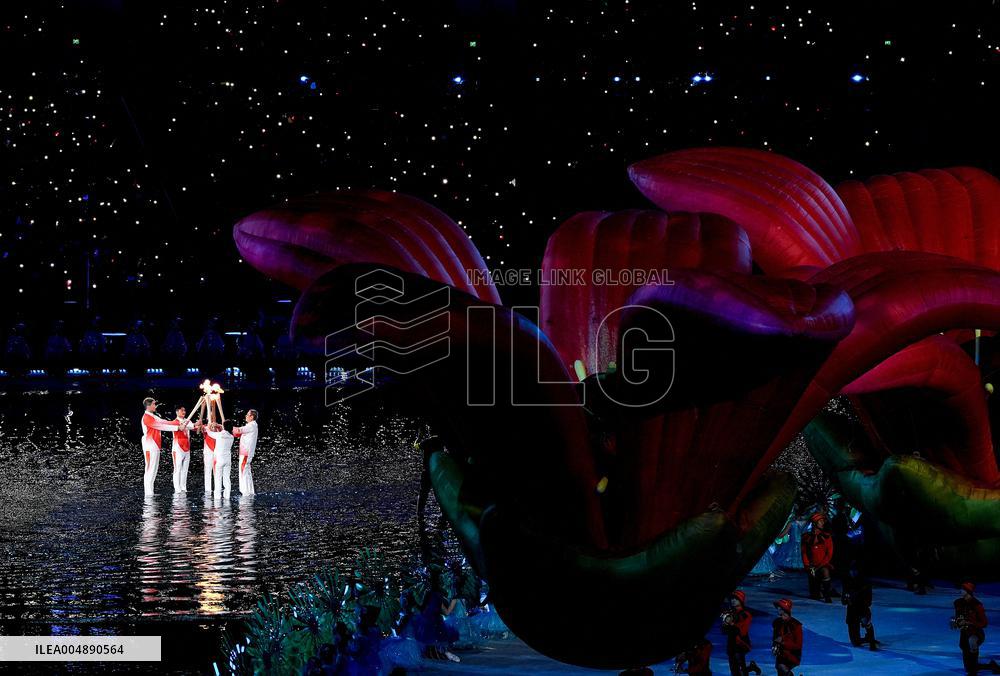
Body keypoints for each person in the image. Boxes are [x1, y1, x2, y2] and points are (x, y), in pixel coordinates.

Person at [952, 582, 1000, 674]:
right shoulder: (958, 603)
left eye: (962, 589)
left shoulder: (977, 605)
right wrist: (955, 621)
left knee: (972, 641)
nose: (960, 590)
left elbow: (984, 623)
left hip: (975, 632)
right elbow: (958, 617)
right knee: (969, 667)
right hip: (964, 632)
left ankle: (974, 671)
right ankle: (991, 666)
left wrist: (971, 622)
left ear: (967, 591)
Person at [140, 397, 183, 495]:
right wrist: (177, 428)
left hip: (154, 446)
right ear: (149, 405)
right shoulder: (146, 417)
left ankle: (150, 493)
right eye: (154, 404)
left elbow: (164, 421)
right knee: (150, 469)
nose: (155, 406)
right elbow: (161, 426)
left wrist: (179, 422)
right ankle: (148, 494)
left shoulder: (153, 416)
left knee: (153, 469)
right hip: (150, 446)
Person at [722, 590, 761, 675]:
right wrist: (726, 624)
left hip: (741, 644)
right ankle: (751, 667)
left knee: (740, 670)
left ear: (741, 600)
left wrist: (730, 623)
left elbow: (742, 631)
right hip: (731, 644)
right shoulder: (729, 613)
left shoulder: (745, 614)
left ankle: (751, 667)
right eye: (732, 599)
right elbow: (724, 630)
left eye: (735, 599)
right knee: (734, 671)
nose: (733, 601)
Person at [801, 512, 834, 602]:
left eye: (823, 521)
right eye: (821, 521)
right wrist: (808, 566)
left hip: (823, 564)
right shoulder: (806, 537)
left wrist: (818, 567)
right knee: (815, 596)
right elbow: (804, 553)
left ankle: (827, 595)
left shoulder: (827, 536)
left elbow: (829, 554)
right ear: (815, 523)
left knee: (825, 571)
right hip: (812, 566)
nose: (823, 523)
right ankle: (818, 590)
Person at [842, 569, 877, 650]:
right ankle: (866, 637)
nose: (852, 572)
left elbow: (868, 601)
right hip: (851, 610)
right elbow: (843, 600)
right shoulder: (847, 581)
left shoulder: (865, 583)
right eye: (851, 571)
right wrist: (847, 599)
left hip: (862, 607)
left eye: (854, 570)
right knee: (855, 642)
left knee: (865, 621)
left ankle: (871, 639)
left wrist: (859, 601)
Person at [771, 599, 802, 676]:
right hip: (781, 653)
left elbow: (798, 645)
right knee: (780, 670)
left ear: (785, 609)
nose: (778, 609)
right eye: (778, 607)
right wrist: (774, 646)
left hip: (792, 654)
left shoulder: (796, 625)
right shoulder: (777, 622)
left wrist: (783, 642)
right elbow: (775, 638)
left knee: (781, 667)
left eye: (780, 607)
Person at [232, 409, 258, 495]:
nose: (246, 416)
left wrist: (226, 426)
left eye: (247, 415)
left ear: (252, 417)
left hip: (246, 453)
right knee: (247, 472)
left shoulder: (251, 425)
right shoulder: (251, 426)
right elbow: (237, 433)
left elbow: (238, 430)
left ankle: (245, 492)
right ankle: (250, 492)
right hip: (246, 453)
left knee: (243, 471)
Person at [170, 405, 195, 492]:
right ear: (177, 412)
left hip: (187, 448)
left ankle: (183, 487)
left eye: (184, 410)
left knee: (185, 469)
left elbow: (193, 427)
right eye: (181, 410)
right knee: (178, 469)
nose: (184, 412)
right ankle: (177, 489)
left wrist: (198, 424)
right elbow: (182, 427)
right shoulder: (174, 422)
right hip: (177, 449)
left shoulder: (187, 421)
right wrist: (188, 424)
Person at [206, 422, 234, 495]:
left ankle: (217, 498)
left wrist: (208, 426)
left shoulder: (219, 435)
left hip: (218, 460)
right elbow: (224, 430)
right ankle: (227, 497)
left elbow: (209, 433)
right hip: (228, 460)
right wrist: (219, 426)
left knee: (218, 479)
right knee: (227, 479)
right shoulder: (231, 436)